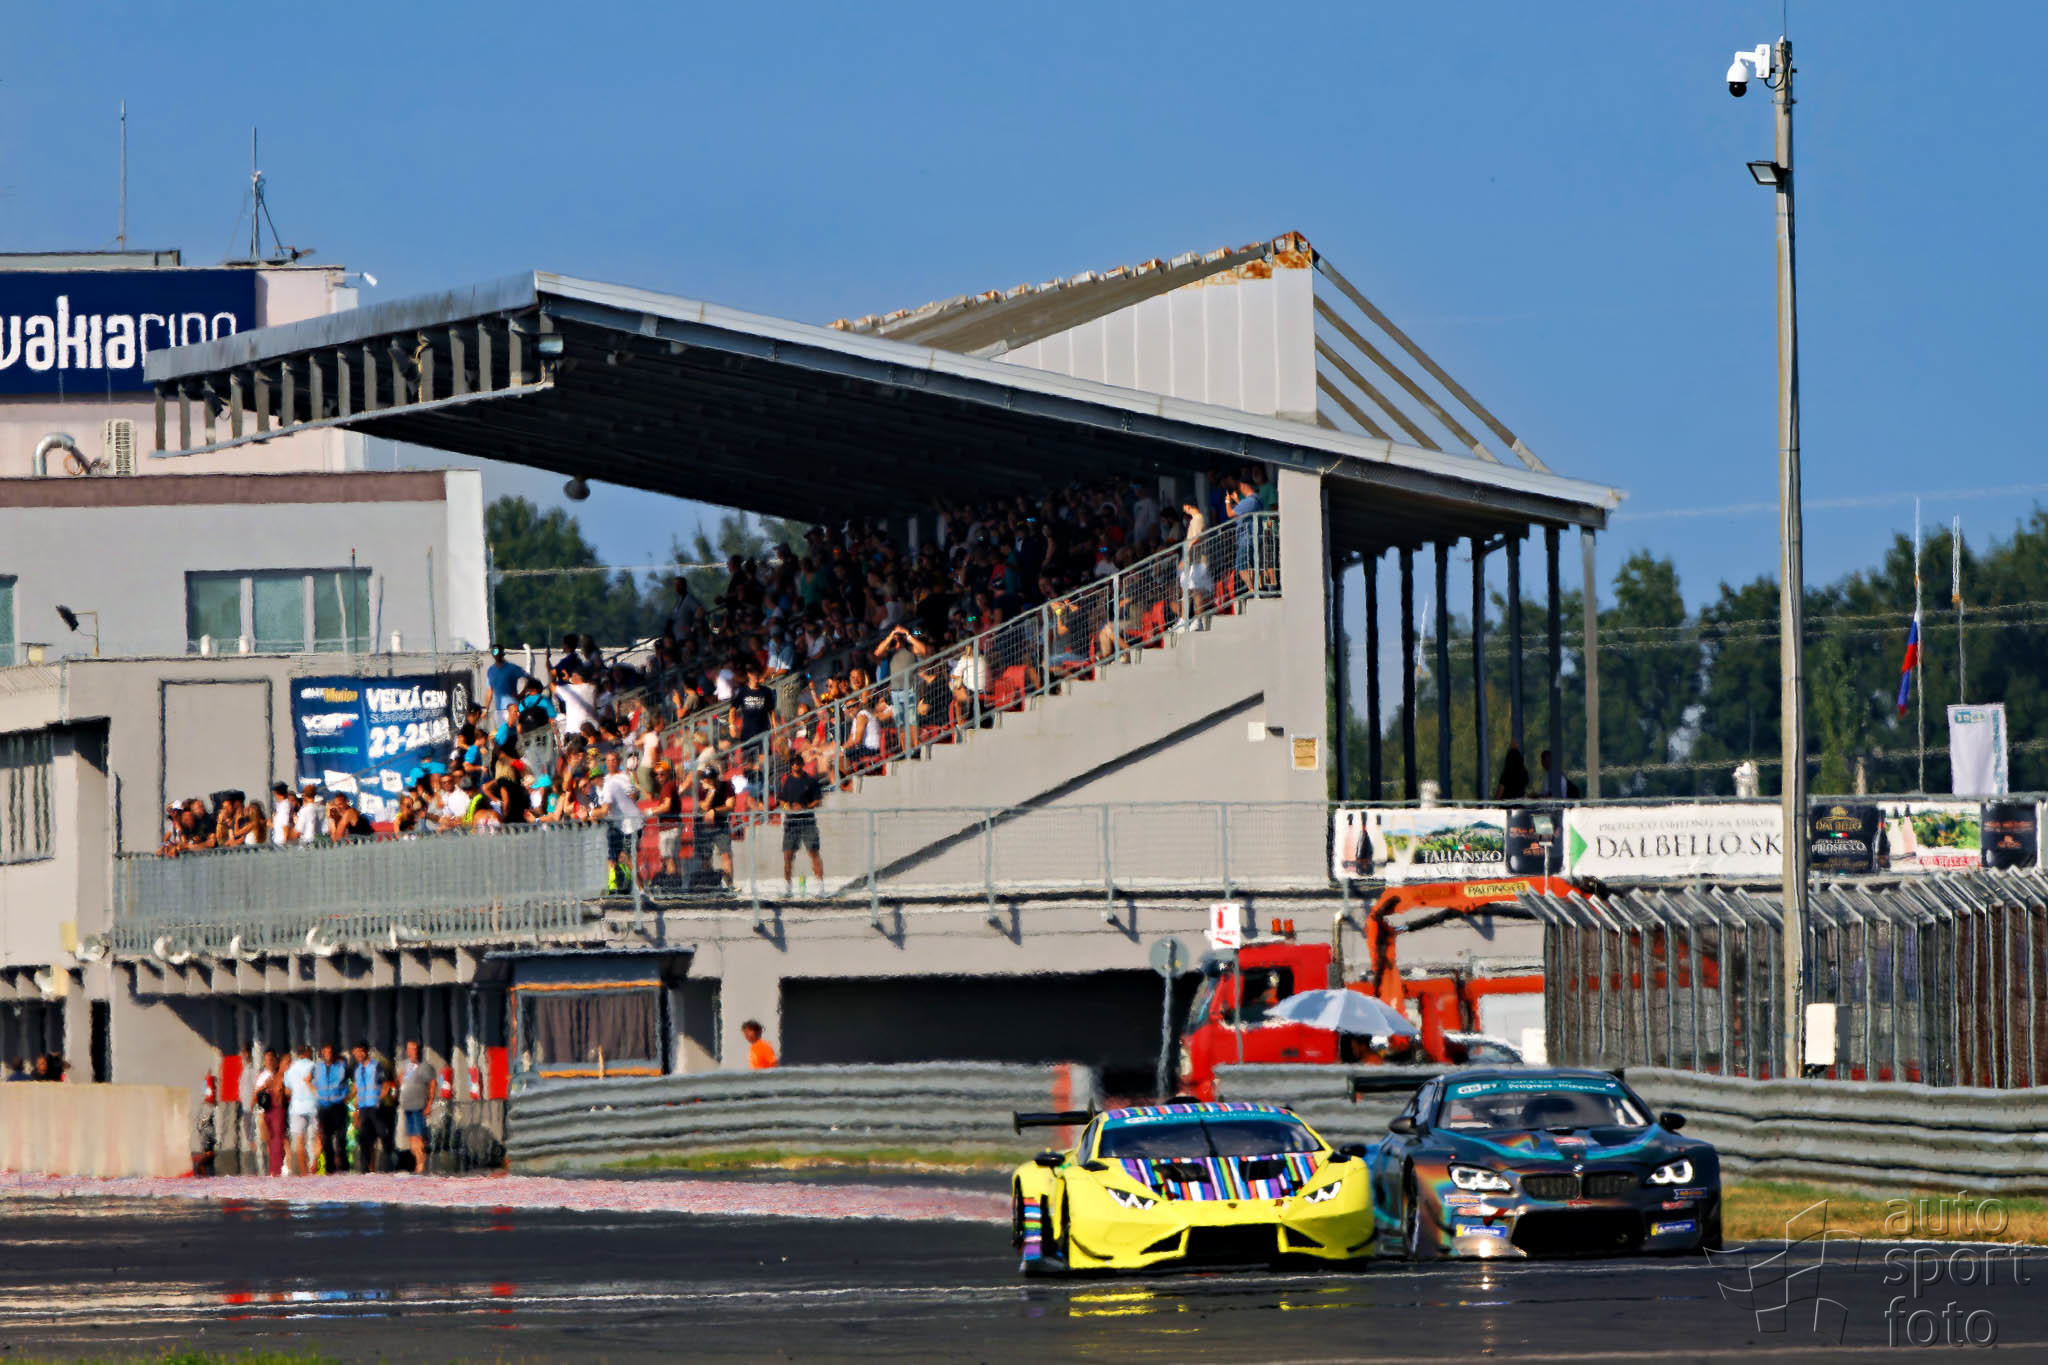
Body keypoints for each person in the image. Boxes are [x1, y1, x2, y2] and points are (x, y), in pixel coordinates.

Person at [779, 759, 824, 897]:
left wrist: (804, 807)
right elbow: (782, 800)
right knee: (788, 855)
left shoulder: (810, 781)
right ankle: (787, 888)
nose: (795, 765)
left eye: (797, 763)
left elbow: (818, 801)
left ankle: (820, 887)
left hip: (807, 821)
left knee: (813, 853)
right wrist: (787, 806)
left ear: (802, 765)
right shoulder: (787, 781)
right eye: (793, 763)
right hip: (791, 822)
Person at [350, 1041, 391, 1174]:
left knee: (383, 1135)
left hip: (375, 1107)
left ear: (365, 1051)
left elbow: (386, 1084)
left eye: (359, 1052)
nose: (357, 1055)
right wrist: (356, 1111)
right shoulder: (357, 1070)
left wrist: (379, 1099)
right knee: (364, 1139)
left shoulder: (376, 1066)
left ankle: (386, 1168)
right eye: (355, 1053)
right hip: (363, 1108)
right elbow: (357, 1090)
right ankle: (365, 1170)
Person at [398, 1040, 436, 1175]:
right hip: (407, 1105)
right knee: (412, 1136)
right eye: (410, 1049)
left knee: (419, 1135)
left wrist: (429, 1104)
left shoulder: (425, 1067)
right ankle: (417, 1163)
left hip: (419, 1105)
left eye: (414, 1049)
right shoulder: (405, 1065)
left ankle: (422, 1164)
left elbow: (433, 1085)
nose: (412, 1052)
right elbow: (401, 1080)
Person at [313, 1042, 350, 1176]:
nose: (328, 1054)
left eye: (330, 1052)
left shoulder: (341, 1066)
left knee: (341, 1137)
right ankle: (330, 1168)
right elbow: (313, 1082)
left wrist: (345, 1097)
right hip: (323, 1106)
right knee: (326, 1138)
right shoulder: (318, 1067)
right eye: (326, 1052)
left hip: (337, 1105)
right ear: (322, 1053)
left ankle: (343, 1166)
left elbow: (346, 1082)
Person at [282, 1044, 318, 1176]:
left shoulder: (291, 1069)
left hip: (296, 1107)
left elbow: (287, 1091)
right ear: (308, 1053)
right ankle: (314, 1164)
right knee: (318, 1138)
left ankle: (303, 1174)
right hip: (313, 1105)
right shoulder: (313, 1066)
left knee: (300, 1140)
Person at [254, 1048, 287, 1176]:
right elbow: (256, 1093)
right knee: (268, 1141)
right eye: (267, 1060)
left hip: (277, 1110)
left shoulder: (280, 1075)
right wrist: (265, 1086)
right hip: (264, 1111)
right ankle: (271, 1168)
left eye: (271, 1059)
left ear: (276, 1060)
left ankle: (279, 1168)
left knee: (279, 1140)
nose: (269, 1062)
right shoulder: (262, 1076)